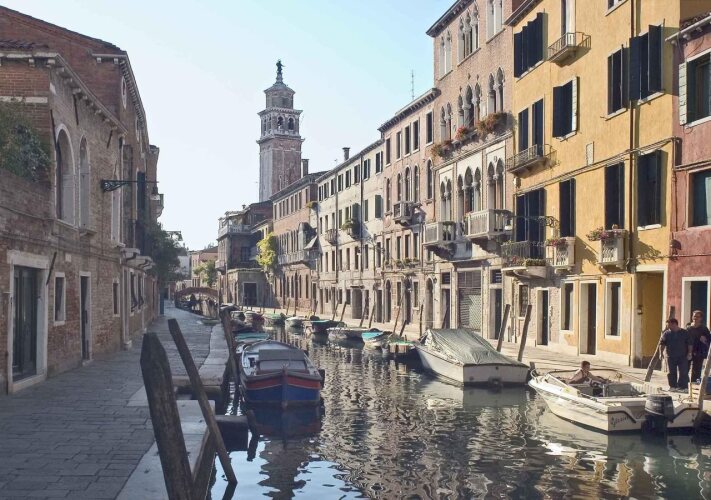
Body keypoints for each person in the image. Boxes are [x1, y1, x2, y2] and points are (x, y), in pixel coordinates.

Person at [660, 318, 693, 391]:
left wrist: (689, 353)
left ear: (674, 324)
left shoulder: (685, 333)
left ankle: (684, 387)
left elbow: (690, 344)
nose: (668, 327)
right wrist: (661, 353)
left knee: (683, 372)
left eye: (669, 325)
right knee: (672, 372)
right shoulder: (666, 333)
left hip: (683, 356)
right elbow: (662, 343)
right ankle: (673, 386)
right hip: (671, 356)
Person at [687, 310, 711, 383]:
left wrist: (705, 340)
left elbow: (709, 341)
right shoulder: (688, 328)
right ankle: (684, 385)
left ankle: (694, 385)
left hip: (699, 352)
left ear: (701, 318)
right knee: (684, 369)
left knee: (696, 371)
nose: (695, 318)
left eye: (697, 317)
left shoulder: (704, 329)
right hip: (687, 351)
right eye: (694, 316)